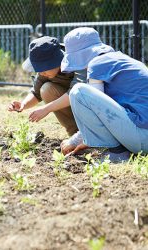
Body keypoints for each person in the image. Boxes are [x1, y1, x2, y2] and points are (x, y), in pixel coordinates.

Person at [60, 27, 148, 162]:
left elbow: (94, 108)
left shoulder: (96, 63)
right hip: (142, 134)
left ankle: (117, 152)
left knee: (79, 91)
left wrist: (74, 141)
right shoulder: (122, 60)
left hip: (142, 139)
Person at [8, 36, 86, 136]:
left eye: (44, 67)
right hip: (73, 104)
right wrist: (23, 104)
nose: (41, 72)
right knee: (46, 89)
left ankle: (91, 133)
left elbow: (76, 93)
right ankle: (75, 133)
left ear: (56, 61)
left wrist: (46, 109)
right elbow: (36, 93)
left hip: (90, 105)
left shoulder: (76, 62)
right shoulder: (44, 72)